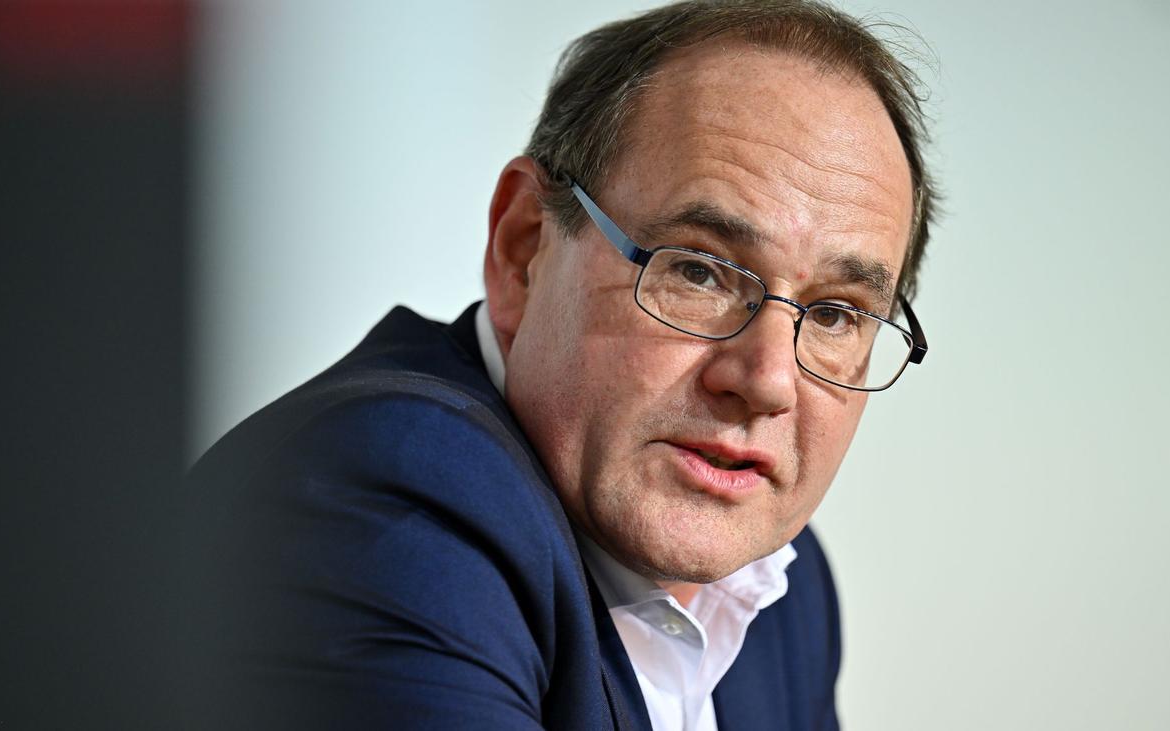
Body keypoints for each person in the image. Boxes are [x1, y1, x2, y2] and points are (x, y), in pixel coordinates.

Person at [184, 1, 936, 729]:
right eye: (699, 271)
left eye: (835, 314)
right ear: (524, 249)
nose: (767, 380)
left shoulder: (782, 595)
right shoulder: (390, 507)